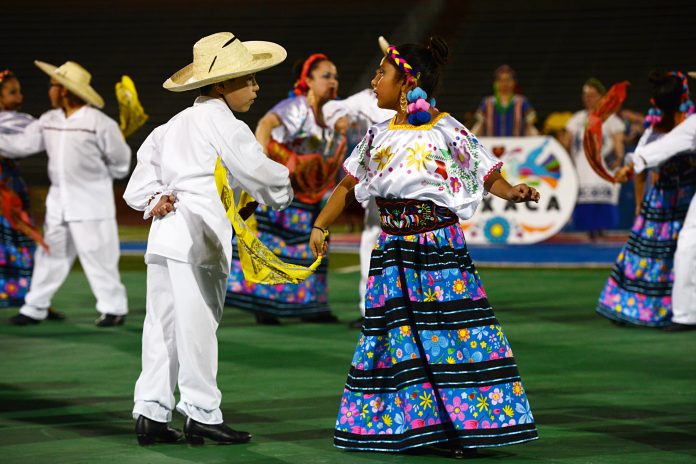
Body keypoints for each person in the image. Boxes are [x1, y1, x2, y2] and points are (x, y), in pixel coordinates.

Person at [310, 36, 539, 457]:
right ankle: (413, 427)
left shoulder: (446, 128)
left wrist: (514, 191)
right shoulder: (378, 135)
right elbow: (348, 185)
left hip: (437, 250)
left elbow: (487, 173)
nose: (375, 80)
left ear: (406, 83)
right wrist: (321, 225)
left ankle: (461, 429)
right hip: (393, 250)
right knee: (397, 341)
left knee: (448, 338)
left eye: (382, 73)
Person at [124, 32, 293, 445]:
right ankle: (202, 412)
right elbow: (257, 168)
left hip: (165, 238)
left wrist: (156, 198)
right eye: (248, 79)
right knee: (197, 328)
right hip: (200, 238)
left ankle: (151, 412)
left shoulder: (175, 124)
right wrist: (285, 189)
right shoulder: (223, 121)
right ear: (220, 85)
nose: (256, 87)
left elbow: (138, 182)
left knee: (162, 328)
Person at [0, 61, 131, 327]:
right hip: (59, 204)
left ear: (65, 91)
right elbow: (22, 145)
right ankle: (35, 307)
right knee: (50, 256)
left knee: (99, 258)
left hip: (92, 205)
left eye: (53, 85)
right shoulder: (49, 120)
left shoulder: (100, 123)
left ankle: (114, 308)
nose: (49, 90)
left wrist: (96, 175)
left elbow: (121, 163)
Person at [225, 53, 346, 324]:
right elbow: (266, 124)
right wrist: (258, 161)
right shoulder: (296, 107)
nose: (333, 81)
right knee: (275, 249)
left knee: (312, 249)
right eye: (326, 76)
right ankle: (265, 305)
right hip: (286, 197)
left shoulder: (333, 115)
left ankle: (310, 306)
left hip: (312, 196)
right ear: (307, 80)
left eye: (335, 76)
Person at [597, 71, 696, 328]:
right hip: (664, 203)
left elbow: (642, 161)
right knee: (658, 256)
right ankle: (648, 310)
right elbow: (642, 164)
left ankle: (682, 313)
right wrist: (640, 203)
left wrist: (630, 168)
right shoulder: (658, 132)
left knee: (684, 251)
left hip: (686, 199)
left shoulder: (688, 125)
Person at [324, 87, 395, 329]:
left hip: (412, 185)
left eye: (382, 72)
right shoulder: (367, 99)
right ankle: (371, 310)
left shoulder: (423, 108)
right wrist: (338, 120)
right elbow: (331, 108)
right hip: (379, 186)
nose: (376, 81)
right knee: (372, 240)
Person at [561, 78, 625, 240]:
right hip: (582, 167)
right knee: (585, 198)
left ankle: (601, 229)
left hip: (603, 167)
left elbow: (618, 145)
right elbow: (566, 143)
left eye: (592, 95)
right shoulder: (576, 119)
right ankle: (589, 230)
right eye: (585, 96)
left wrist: (618, 159)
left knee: (602, 197)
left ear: (602, 97)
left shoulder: (611, 120)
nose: (588, 99)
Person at [472, 64, 537, 137]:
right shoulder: (487, 102)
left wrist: (535, 139)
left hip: (516, 144)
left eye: (507, 80)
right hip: (491, 144)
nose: (504, 83)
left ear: (513, 82)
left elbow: (530, 123)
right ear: (496, 83)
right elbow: (479, 124)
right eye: (501, 80)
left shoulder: (522, 102)